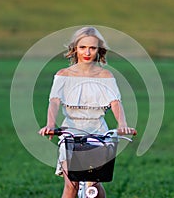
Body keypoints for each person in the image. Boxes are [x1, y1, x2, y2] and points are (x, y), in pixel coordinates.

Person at [39, 26, 136, 198]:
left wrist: (122, 125)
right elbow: (54, 102)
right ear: (75, 48)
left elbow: (115, 103)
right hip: (71, 132)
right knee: (71, 184)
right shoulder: (63, 75)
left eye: (92, 48)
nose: (87, 52)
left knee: (94, 184)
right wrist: (50, 124)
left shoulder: (105, 76)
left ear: (99, 50)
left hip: (97, 131)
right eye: (83, 47)